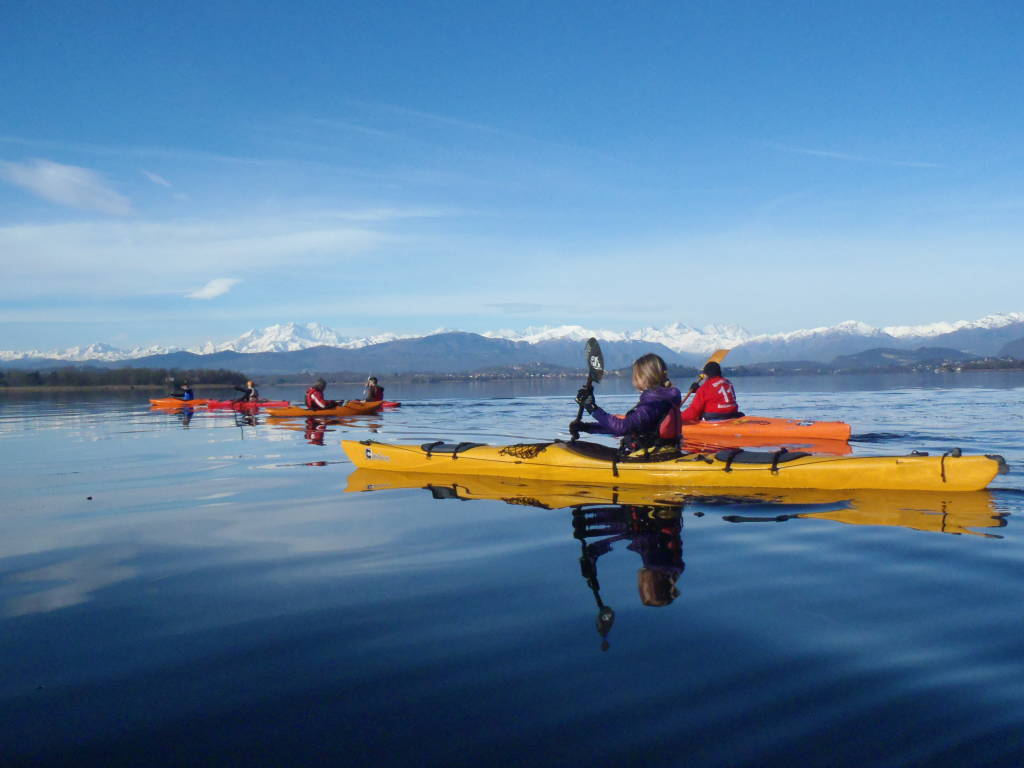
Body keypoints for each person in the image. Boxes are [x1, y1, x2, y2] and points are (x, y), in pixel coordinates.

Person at [571, 353, 682, 458]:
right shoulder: (664, 400)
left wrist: (592, 408)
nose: (633, 379)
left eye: (635, 375)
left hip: (648, 456)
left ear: (644, 378)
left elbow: (623, 427)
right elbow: (629, 429)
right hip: (665, 453)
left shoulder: (653, 404)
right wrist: (586, 427)